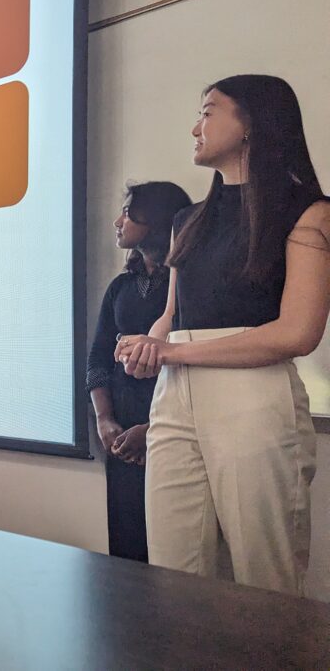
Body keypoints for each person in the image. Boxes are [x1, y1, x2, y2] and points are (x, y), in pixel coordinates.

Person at [117, 75, 330, 595]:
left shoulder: (309, 211)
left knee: (266, 578)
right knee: (173, 575)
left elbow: (298, 333)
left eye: (209, 112)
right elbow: (173, 316)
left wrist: (174, 350)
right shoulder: (187, 220)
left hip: (252, 393)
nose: (196, 126)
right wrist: (148, 344)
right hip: (175, 394)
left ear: (252, 122)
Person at [87, 181, 191, 562]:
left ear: (158, 217)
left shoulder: (190, 285)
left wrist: (155, 430)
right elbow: (98, 358)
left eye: (129, 212)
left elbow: (193, 360)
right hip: (121, 440)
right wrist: (104, 420)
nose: (118, 221)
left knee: (173, 557)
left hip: (174, 431)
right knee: (126, 550)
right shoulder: (121, 287)